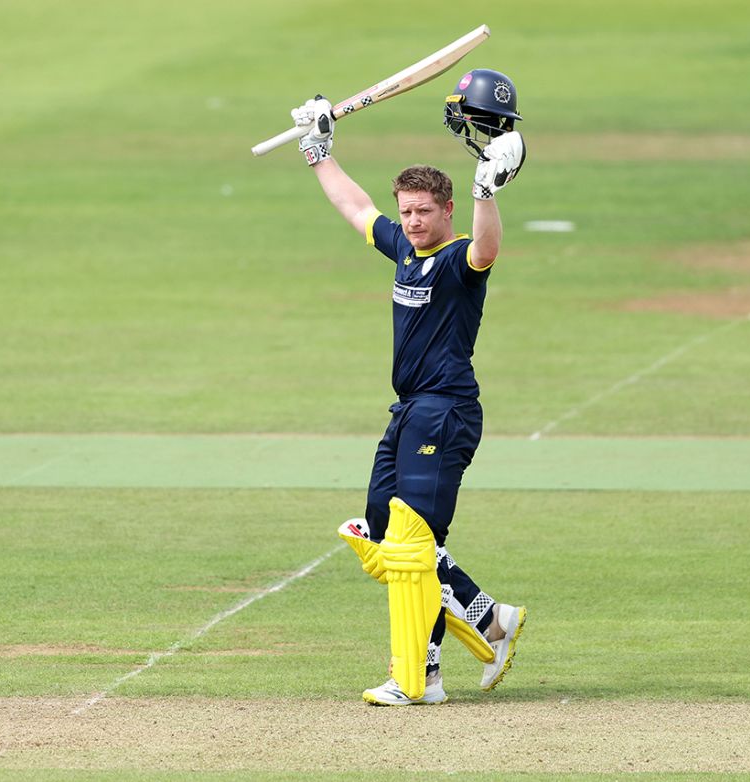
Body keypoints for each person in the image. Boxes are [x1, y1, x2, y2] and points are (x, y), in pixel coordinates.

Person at [290, 69, 528, 706]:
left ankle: (418, 678)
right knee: (379, 527)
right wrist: (319, 149)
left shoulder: (457, 258)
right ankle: (487, 617)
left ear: (445, 210)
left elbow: (488, 246)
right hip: (409, 410)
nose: (414, 221)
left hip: (446, 409)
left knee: (413, 540)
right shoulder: (404, 250)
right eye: (409, 212)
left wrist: (486, 189)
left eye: (425, 212)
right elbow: (354, 207)